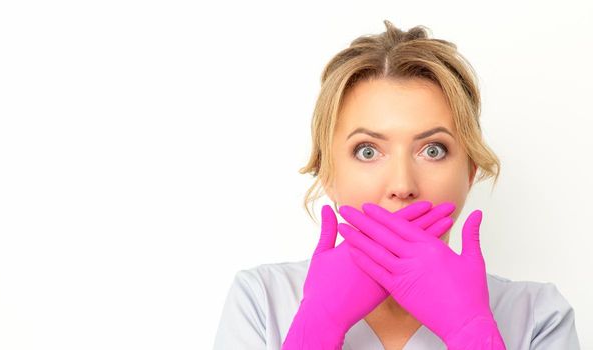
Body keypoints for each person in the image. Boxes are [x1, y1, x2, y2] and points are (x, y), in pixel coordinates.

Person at [212, 20, 580, 350]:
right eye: (368, 151)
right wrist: (317, 326)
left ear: (469, 173)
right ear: (327, 174)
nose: (402, 186)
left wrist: (470, 330)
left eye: (433, 150)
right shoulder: (260, 300)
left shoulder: (538, 316)